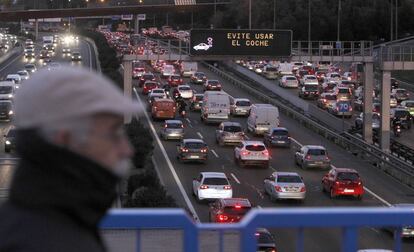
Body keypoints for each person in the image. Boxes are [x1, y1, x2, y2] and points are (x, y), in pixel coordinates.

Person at [0, 66, 141, 252]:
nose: (127, 149)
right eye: (113, 133)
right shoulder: (55, 241)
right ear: (66, 139)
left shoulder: (37, 221)